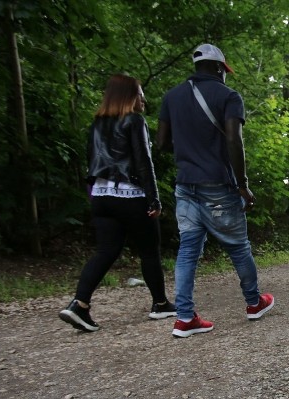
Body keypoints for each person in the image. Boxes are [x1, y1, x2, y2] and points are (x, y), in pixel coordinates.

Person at [157, 43, 274, 338]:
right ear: (220, 67)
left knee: (187, 251)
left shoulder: (171, 97)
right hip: (218, 185)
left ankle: (184, 318)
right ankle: (253, 303)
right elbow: (234, 141)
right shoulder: (228, 96)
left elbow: (160, 143)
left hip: (185, 185)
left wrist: (190, 149)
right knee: (238, 246)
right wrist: (242, 185)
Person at [59, 74, 176, 333]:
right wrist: (153, 197)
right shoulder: (135, 121)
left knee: (106, 251)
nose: (144, 99)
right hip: (130, 195)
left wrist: (94, 197)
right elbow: (144, 161)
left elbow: (91, 162)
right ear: (129, 96)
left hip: (100, 196)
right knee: (149, 251)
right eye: (140, 94)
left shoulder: (97, 123)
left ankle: (79, 304)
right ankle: (160, 303)